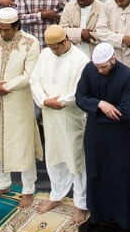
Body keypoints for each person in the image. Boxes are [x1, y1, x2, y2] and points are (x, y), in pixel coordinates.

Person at [76, 42, 130, 232]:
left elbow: (125, 112)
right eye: (98, 68)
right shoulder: (90, 69)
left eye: (104, 67)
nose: (101, 71)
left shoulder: (128, 77)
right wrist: (100, 105)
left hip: (120, 136)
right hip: (95, 133)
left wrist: (96, 110)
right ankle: (96, 216)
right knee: (95, 172)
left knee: (121, 177)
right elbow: (80, 97)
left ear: (113, 59)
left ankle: (125, 223)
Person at [30, 25, 89, 219]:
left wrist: (62, 101)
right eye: (51, 47)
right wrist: (44, 101)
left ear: (65, 41)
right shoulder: (46, 54)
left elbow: (81, 90)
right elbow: (35, 80)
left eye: (57, 47)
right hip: (49, 113)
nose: (53, 51)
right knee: (54, 155)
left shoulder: (80, 60)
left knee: (75, 159)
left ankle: (81, 203)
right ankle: (57, 194)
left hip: (70, 116)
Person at [0, 6, 40, 203]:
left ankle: (28, 188)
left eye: (7, 29)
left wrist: (5, 86)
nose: (3, 33)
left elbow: (29, 74)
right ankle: (3, 183)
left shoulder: (31, 43)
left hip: (18, 100)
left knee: (23, 142)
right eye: (0, 28)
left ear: (17, 26)